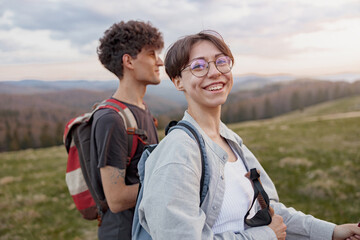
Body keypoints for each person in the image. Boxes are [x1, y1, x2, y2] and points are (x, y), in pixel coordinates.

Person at [137, 30, 360, 240]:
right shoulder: (178, 152)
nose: (214, 72)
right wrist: (266, 236)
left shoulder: (230, 141)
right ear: (178, 81)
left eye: (221, 61)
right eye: (198, 66)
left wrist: (332, 232)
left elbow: (271, 213)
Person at [90, 20, 164, 240]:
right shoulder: (111, 119)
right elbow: (116, 198)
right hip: (123, 233)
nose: (160, 62)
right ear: (128, 61)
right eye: (152, 54)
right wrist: (172, 181)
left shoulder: (143, 110)